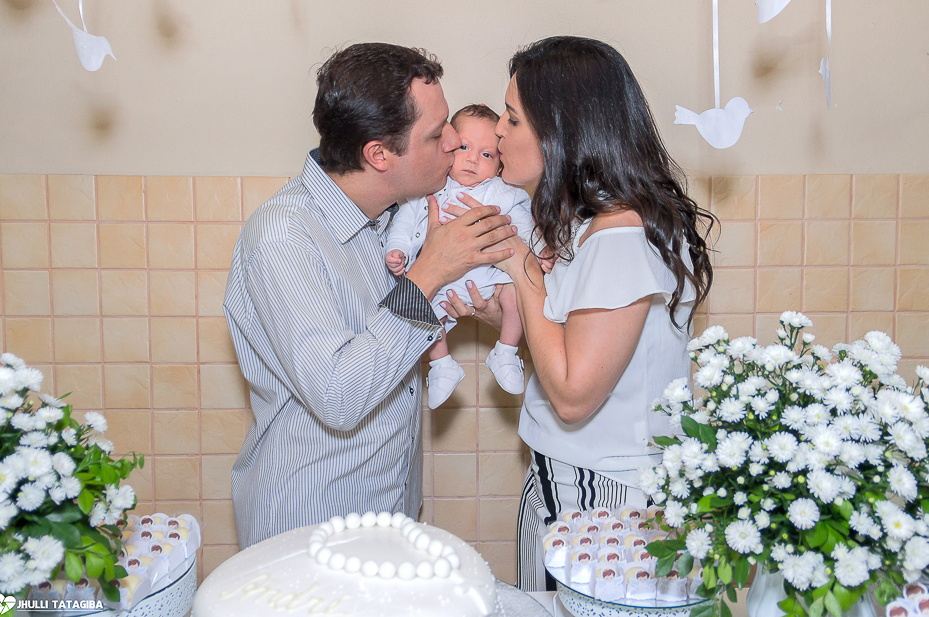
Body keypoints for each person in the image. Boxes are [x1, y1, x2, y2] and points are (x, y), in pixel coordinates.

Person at [445, 36, 715, 591]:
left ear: (561, 131)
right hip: (573, 479)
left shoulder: (618, 239)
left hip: (605, 499)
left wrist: (520, 264)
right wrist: (503, 318)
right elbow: (579, 346)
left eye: (512, 119)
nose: (498, 133)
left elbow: (572, 397)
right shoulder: (593, 224)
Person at [223, 43, 517, 549]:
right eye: (437, 134)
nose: (454, 142)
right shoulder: (285, 237)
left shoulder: (392, 217)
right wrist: (429, 272)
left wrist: (496, 308)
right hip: (310, 525)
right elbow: (339, 395)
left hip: (390, 514)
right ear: (379, 155)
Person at [385, 104, 534, 408]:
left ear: (500, 164)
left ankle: (506, 351)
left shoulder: (502, 191)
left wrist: (539, 249)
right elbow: (406, 220)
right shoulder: (431, 188)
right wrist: (396, 249)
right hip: (442, 283)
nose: (473, 159)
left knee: (516, 296)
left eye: (487, 154)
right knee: (422, 313)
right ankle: (442, 366)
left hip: (491, 277)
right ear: (448, 146)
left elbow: (525, 224)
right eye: (465, 147)